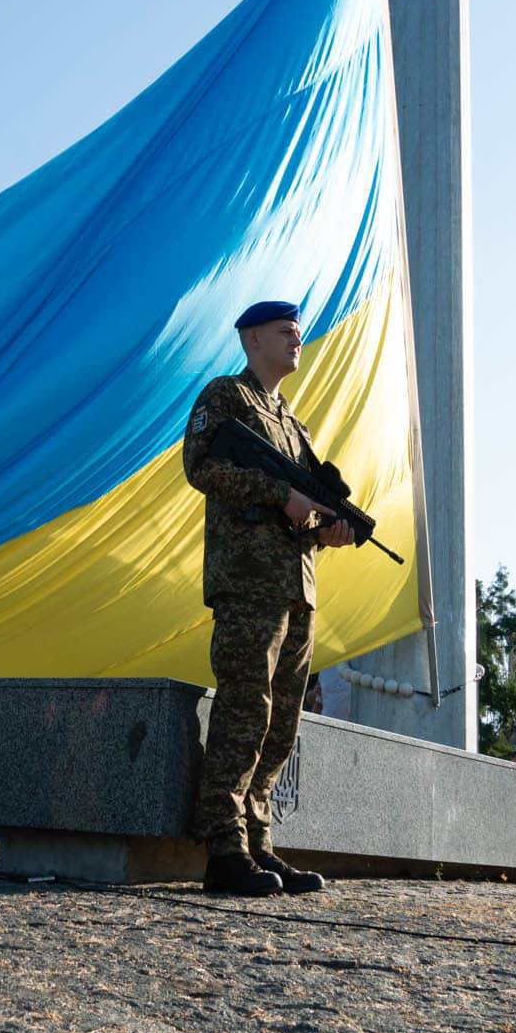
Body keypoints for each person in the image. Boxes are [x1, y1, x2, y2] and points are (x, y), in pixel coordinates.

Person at [182, 300, 353, 898]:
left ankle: (259, 842)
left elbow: (299, 516)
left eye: (298, 334)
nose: (296, 342)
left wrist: (327, 528)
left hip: (294, 585)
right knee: (244, 709)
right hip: (248, 582)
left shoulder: (292, 423)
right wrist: (281, 493)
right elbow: (201, 466)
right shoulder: (226, 397)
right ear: (251, 338)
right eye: (285, 333)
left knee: (282, 721)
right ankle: (224, 851)